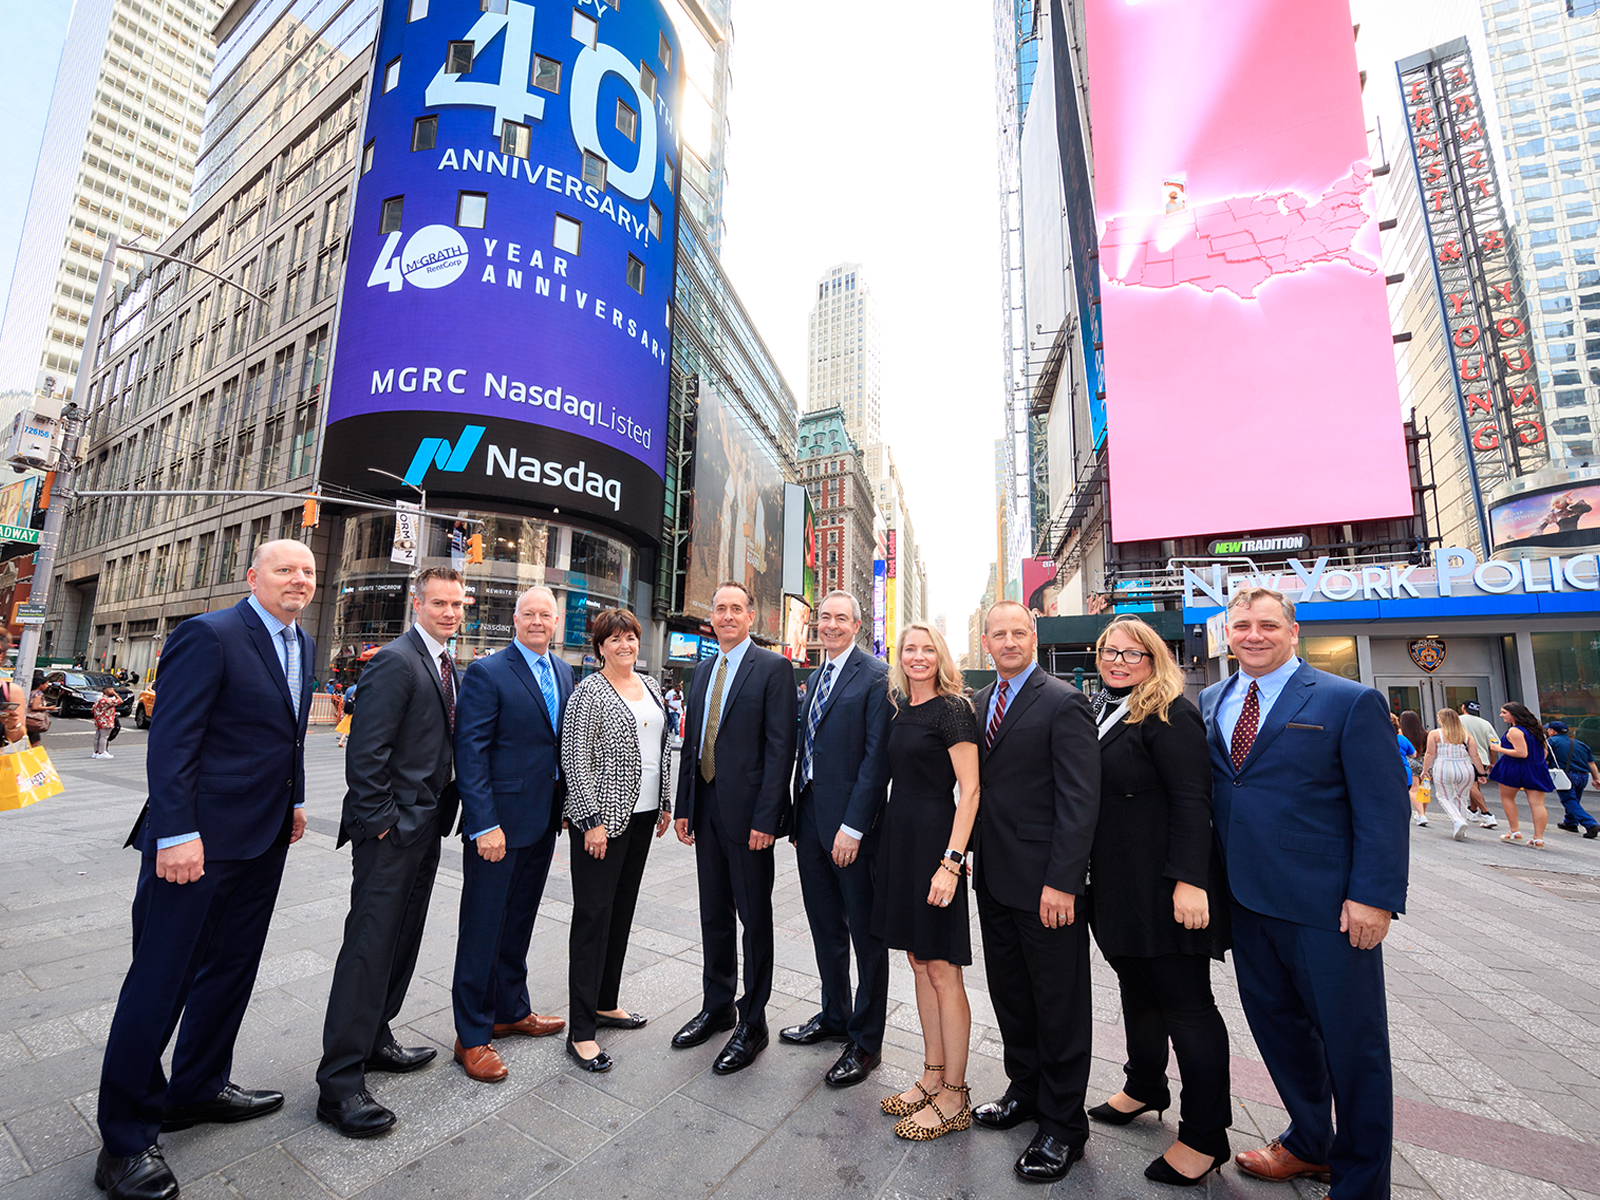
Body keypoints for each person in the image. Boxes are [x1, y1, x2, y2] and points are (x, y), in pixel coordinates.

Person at [94, 539, 316, 1200]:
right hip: (195, 846)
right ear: (254, 576)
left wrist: (295, 801)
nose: (298, 578)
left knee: (231, 972)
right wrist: (178, 831)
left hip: (263, 839)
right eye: (285, 568)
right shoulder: (210, 634)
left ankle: (196, 1088)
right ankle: (124, 1143)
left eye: (307, 570)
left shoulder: (301, 643)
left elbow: (289, 734)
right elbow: (174, 740)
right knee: (160, 983)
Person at [1199, 587, 1408, 1197]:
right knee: (1281, 1034)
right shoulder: (1213, 698)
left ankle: (1363, 1182)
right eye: (1242, 626)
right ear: (1227, 634)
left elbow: (1382, 808)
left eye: (1268, 625)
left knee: (1354, 1048)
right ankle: (1310, 1143)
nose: (1254, 635)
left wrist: (1373, 896)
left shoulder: (1348, 701)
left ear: (1294, 631)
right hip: (1246, 902)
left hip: (1327, 908)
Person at [316, 567, 466, 1138]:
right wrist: (382, 825)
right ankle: (339, 1084)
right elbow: (367, 752)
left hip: (425, 827)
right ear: (418, 605)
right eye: (440, 603)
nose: (450, 612)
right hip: (392, 834)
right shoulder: (396, 661)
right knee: (369, 947)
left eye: (457, 604)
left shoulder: (444, 662)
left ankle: (376, 1036)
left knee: (402, 940)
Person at [1085, 616, 1232, 1186]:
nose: (1118, 662)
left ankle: (1204, 1136)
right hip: (1119, 883)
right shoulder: (1107, 708)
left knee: (1187, 1005)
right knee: (1136, 988)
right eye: (1109, 652)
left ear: (1154, 659)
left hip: (1166, 886)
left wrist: (1189, 882)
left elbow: (1193, 800)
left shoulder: (1172, 712)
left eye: (1132, 654)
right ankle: (1144, 1085)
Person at [969, 600, 1101, 1183]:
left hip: (1047, 887)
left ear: (1034, 635)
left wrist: (1063, 883)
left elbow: (1079, 801)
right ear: (986, 641)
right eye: (998, 634)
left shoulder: (1063, 702)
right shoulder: (977, 704)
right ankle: (1025, 1091)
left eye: (1018, 632)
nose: (1009, 642)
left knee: (1059, 1004)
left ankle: (1064, 1126)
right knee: (1012, 995)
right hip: (994, 880)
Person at [671, 582, 798, 1075]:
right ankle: (718, 1004)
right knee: (713, 915)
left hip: (750, 821)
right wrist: (685, 805)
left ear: (751, 616)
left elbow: (779, 748)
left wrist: (768, 818)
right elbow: (692, 741)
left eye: (735, 609)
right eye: (718, 609)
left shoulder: (773, 669)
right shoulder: (702, 670)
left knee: (754, 918)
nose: (726, 616)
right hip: (705, 810)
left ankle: (754, 1020)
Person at [450, 586, 571, 1081]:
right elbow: (470, 753)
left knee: (518, 922)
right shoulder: (487, 671)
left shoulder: (564, 671)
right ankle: (472, 1035)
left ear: (557, 621)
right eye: (530, 614)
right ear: (514, 620)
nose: (538, 621)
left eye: (547, 614)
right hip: (496, 828)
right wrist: (484, 823)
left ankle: (510, 1011)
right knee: (482, 928)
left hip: (541, 822)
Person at [872, 622, 980, 1139]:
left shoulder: (953, 708)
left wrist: (951, 862)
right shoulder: (900, 706)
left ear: (941, 656)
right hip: (901, 842)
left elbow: (972, 790)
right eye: (909, 649)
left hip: (937, 844)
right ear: (899, 655)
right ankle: (931, 1076)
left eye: (927, 649)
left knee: (942, 967)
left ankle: (956, 1095)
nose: (918, 656)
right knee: (918, 962)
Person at [783, 591, 892, 1089]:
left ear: (857, 624)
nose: (829, 626)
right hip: (808, 820)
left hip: (851, 829)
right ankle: (834, 1014)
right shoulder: (815, 675)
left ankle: (866, 1040)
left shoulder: (875, 675)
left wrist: (853, 826)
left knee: (866, 936)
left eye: (839, 619)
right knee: (825, 925)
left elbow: (875, 760)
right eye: (823, 618)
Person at [561, 607, 672, 1072]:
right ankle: (581, 1031)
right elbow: (574, 758)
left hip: (643, 817)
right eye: (615, 639)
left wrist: (665, 800)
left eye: (631, 637)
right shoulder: (589, 691)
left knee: (621, 912)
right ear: (600, 646)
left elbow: (660, 748)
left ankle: (606, 1002)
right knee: (592, 917)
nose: (625, 645)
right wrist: (590, 820)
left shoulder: (648, 686)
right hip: (602, 822)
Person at [1486, 701, 1555, 849]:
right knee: (1537, 803)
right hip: (1536, 767)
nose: (1501, 715)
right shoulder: (1537, 730)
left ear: (1514, 714)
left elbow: (1521, 753)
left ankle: (1514, 830)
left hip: (1513, 767)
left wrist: (1498, 748)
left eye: (1504, 712)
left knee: (1507, 798)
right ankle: (1538, 838)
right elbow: (1544, 752)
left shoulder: (1515, 731)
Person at [1423, 708, 1484, 842]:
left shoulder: (1435, 734)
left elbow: (1430, 754)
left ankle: (1457, 820)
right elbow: (1475, 755)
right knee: (1462, 797)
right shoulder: (1466, 735)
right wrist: (1481, 772)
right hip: (1465, 767)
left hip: (1444, 766)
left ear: (1442, 719)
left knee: (1444, 796)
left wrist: (1425, 770)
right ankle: (1461, 825)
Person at [1545, 721, 1600, 838]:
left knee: (1569, 801)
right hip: (1583, 776)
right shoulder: (1581, 744)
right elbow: (1592, 764)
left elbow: (1546, 761)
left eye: (1548, 730)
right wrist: (1596, 779)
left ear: (1553, 731)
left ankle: (1590, 824)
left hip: (1566, 776)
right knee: (1574, 801)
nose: (1547, 732)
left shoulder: (1551, 742)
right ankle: (1570, 823)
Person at [1459, 701, 1499, 828]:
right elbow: (1494, 744)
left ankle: (1487, 814)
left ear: (1463, 707)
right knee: (1475, 784)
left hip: (1465, 757)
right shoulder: (1485, 723)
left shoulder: (1458, 720)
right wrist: (1492, 762)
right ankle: (1472, 810)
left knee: (1470, 784)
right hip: (1481, 758)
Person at [1399, 710, 1428, 826]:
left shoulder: (1402, 733)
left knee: (1414, 789)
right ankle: (1422, 812)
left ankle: (1421, 814)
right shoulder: (1426, 733)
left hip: (1411, 762)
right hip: (1425, 762)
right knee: (1425, 789)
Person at [92, 685, 119, 759]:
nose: (113, 691)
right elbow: (120, 701)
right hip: (106, 720)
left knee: (98, 736)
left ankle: (96, 751)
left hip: (99, 719)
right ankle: (101, 752)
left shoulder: (99, 700)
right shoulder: (106, 700)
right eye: (111, 690)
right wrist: (115, 694)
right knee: (104, 737)